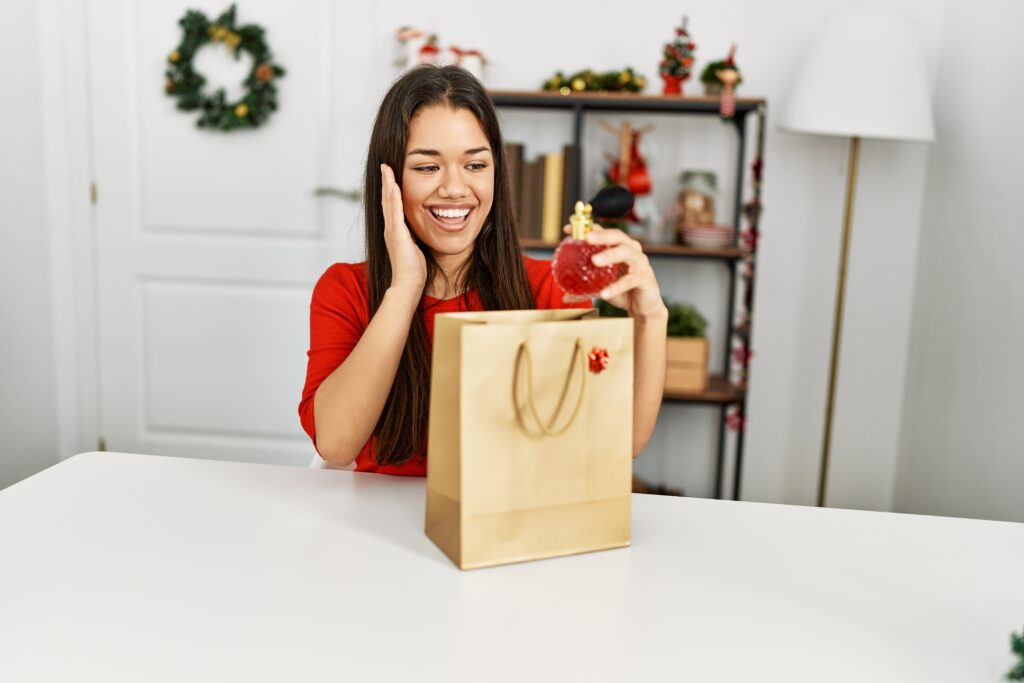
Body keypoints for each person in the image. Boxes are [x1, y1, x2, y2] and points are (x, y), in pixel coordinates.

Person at [299, 65, 667, 475]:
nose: (455, 188)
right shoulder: (346, 288)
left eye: (475, 166)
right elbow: (335, 443)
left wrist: (649, 317)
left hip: (501, 528)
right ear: (389, 180)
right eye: (426, 167)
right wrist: (406, 285)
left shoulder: (546, 288)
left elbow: (620, 439)